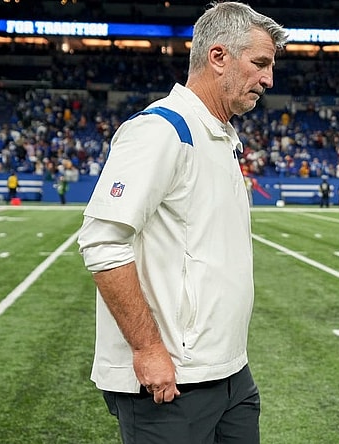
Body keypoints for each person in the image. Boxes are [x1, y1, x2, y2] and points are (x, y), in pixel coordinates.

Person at [76, 3, 287, 443]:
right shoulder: (163, 129)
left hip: (230, 373)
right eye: (260, 63)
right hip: (172, 382)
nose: (268, 79)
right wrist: (148, 349)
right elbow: (101, 242)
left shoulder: (222, 135)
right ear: (218, 57)